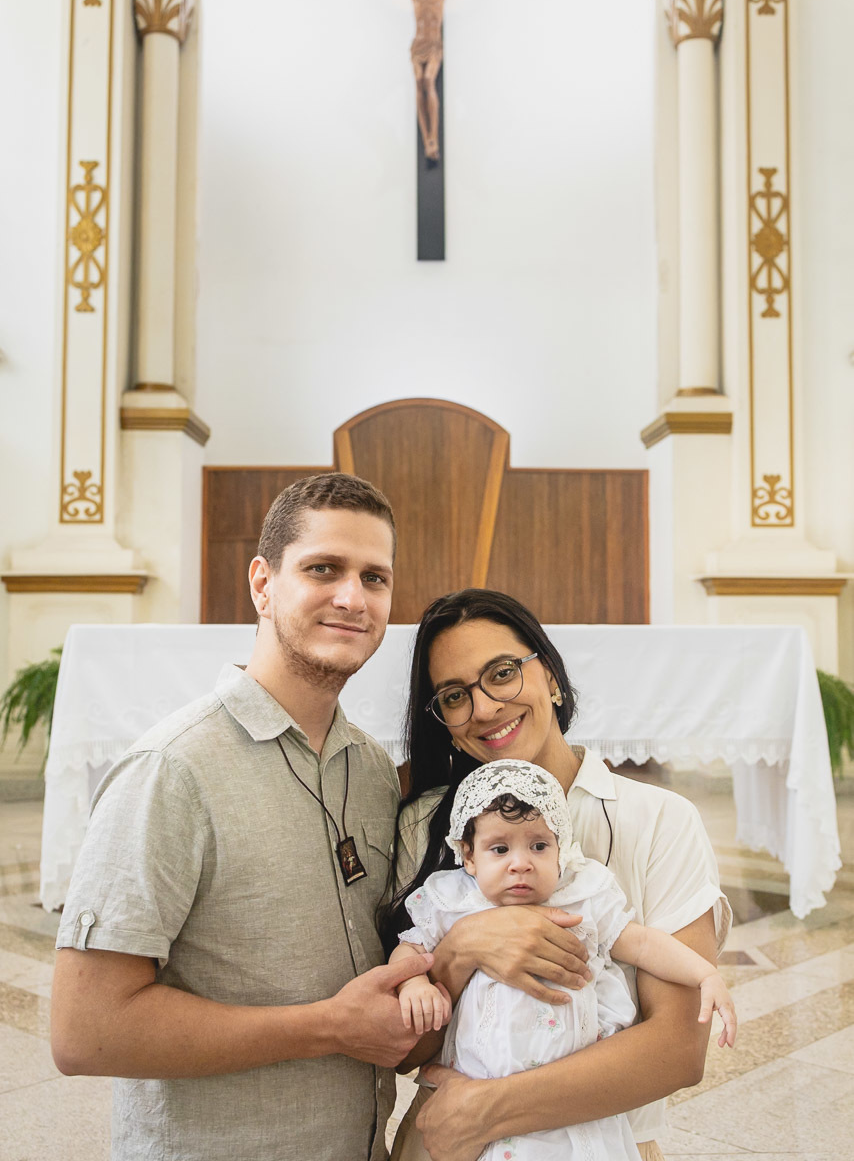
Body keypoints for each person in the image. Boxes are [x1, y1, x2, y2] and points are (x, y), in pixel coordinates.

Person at [51, 473, 436, 1161]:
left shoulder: (371, 767)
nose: (352, 598)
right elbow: (85, 1032)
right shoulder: (173, 770)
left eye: (375, 578)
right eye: (323, 569)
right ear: (263, 583)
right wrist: (329, 1028)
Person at [382, 589, 733, 1161]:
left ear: (549, 674)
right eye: (454, 696)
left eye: (502, 672)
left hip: (595, 1144)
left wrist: (487, 1108)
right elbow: (401, 1047)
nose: (486, 707)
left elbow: (677, 1049)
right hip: (448, 1147)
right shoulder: (427, 827)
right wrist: (464, 948)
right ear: (443, 721)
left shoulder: (659, 820)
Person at [390, 759, 736, 1161]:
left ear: (561, 849)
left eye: (539, 846)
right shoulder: (453, 901)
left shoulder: (581, 897)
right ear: (468, 857)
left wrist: (704, 973)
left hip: (569, 1104)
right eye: (499, 849)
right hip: (476, 1100)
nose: (521, 863)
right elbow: (411, 947)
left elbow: (640, 943)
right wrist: (414, 983)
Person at [346, 0, 511, 160]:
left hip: (434, 45)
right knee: (418, 82)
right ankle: (427, 139)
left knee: (428, 80)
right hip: (418, 44)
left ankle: (433, 135)